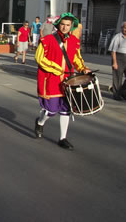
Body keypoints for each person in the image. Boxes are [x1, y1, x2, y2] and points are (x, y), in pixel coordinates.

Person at [34, 13, 91, 150]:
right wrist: (55, 67)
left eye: (68, 25)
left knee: (66, 110)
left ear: (71, 27)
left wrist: (83, 68)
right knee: (51, 110)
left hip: (68, 80)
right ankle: (40, 122)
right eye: (62, 24)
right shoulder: (47, 39)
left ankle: (62, 138)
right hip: (52, 79)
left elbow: (76, 58)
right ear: (58, 24)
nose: (65, 27)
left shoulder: (74, 41)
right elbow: (39, 58)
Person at [108, 21, 126, 101]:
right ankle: (116, 95)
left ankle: (123, 93)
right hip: (119, 57)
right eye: (125, 28)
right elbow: (113, 51)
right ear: (122, 28)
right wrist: (114, 62)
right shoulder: (117, 37)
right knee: (118, 78)